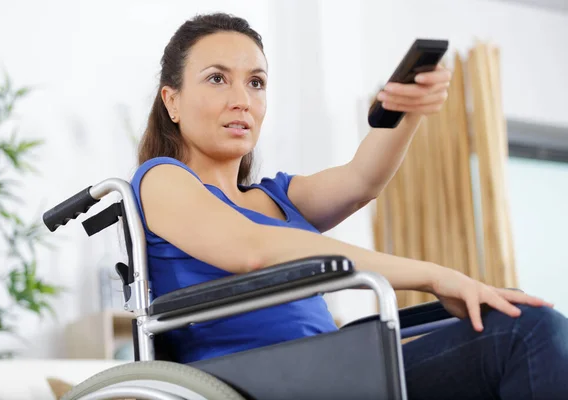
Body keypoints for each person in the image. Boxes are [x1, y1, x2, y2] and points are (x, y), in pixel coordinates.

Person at [130, 12, 568, 399]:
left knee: (521, 314)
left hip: (332, 364)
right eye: (217, 78)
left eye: (256, 82)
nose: (242, 99)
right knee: (525, 336)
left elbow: (361, 181)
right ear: (172, 101)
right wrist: (436, 276)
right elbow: (253, 250)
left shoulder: (275, 197)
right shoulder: (161, 180)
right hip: (257, 378)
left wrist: (407, 109)